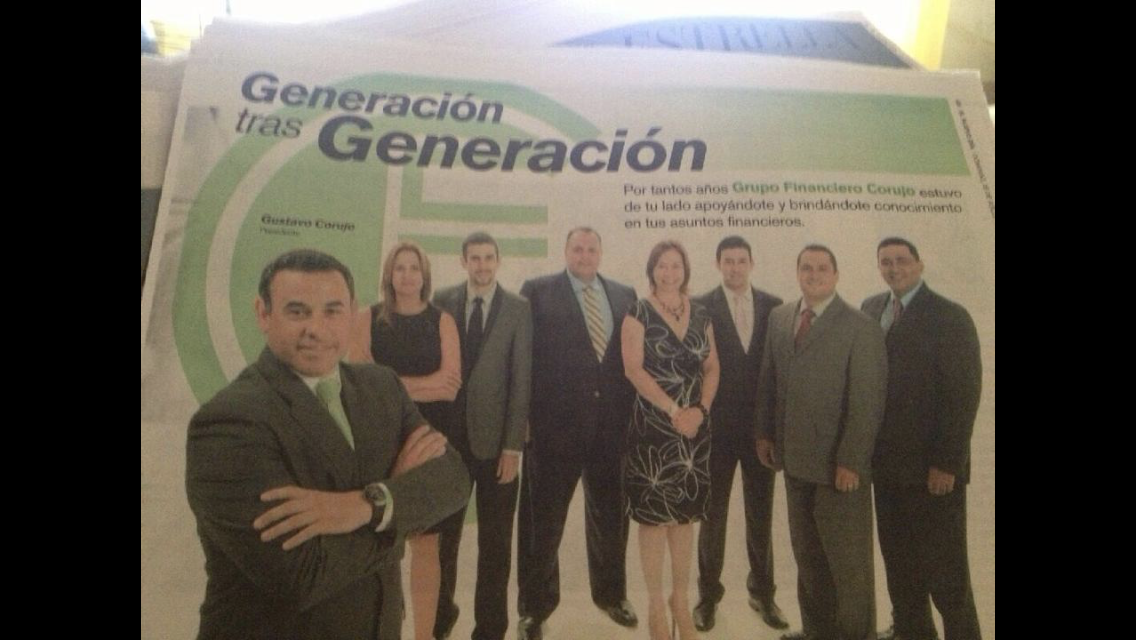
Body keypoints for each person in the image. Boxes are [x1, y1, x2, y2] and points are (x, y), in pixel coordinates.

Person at [185, 248, 470, 640]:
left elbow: (453, 479)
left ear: (353, 313)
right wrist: (398, 509)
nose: (316, 329)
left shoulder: (382, 387)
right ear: (263, 314)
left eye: (332, 311)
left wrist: (367, 504)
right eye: (298, 311)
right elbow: (302, 576)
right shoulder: (229, 422)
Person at [754, 245, 887, 640]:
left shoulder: (860, 326)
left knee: (848, 566)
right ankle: (817, 631)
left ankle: (855, 635)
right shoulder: (781, 318)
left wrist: (851, 460)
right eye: (807, 267)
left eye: (822, 268)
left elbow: (868, 403)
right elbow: (768, 380)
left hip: (838, 469)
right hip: (794, 462)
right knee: (808, 559)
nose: (814, 274)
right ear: (797, 272)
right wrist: (764, 433)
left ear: (836, 274)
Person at [516, 227, 639, 640]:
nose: (585, 255)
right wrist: (525, 419)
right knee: (542, 523)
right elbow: (524, 358)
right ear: (565, 250)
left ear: (601, 252)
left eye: (591, 248)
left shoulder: (625, 295)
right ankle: (534, 608)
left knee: (611, 518)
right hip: (553, 430)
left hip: (611, 429)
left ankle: (611, 595)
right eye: (577, 248)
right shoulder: (537, 290)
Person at [861, 238, 982, 640]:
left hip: (933, 474)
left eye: (901, 261)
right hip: (887, 470)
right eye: (886, 262)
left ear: (919, 263)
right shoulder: (871, 308)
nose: (893, 268)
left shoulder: (950, 316)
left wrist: (947, 464)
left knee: (946, 575)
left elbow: (963, 394)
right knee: (900, 568)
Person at [348, 241, 463, 640]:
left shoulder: (442, 321)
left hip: (428, 441)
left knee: (427, 544)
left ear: (425, 276)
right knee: (384, 540)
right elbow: (360, 383)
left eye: (415, 268)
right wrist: (420, 386)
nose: (408, 275)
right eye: (401, 268)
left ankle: (424, 635)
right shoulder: (367, 318)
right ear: (389, 275)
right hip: (380, 441)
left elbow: (449, 387)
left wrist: (390, 383)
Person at [433, 232, 533, 640]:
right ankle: (439, 619)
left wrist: (513, 447)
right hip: (447, 446)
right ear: (463, 261)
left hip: (497, 448)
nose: (482, 265)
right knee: (443, 542)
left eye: (489, 257)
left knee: (495, 546)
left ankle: (490, 630)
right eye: (474, 258)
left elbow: (521, 380)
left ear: (498, 260)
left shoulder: (517, 308)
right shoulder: (442, 299)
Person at [622, 240, 720, 640]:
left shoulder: (702, 313)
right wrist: (673, 410)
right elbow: (633, 369)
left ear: (685, 270)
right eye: (661, 266)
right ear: (652, 270)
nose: (669, 272)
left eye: (675, 265)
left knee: (684, 519)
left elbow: (713, 367)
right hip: (654, 429)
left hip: (694, 431)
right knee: (654, 520)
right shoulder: (638, 311)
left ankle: (681, 601)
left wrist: (700, 410)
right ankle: (655, 605)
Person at [691, 236, 787, 632]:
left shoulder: (774, 307)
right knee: (712, 518)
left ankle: (763, 594)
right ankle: (707, 596)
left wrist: (775, 430)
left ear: (752, 263)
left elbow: (780, 373)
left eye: (741, 260)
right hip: (715, 433)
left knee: (761, 517)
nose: (734, 267)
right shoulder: (700, 306)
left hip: (761, 433)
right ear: (717, 264)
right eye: (727, 261)